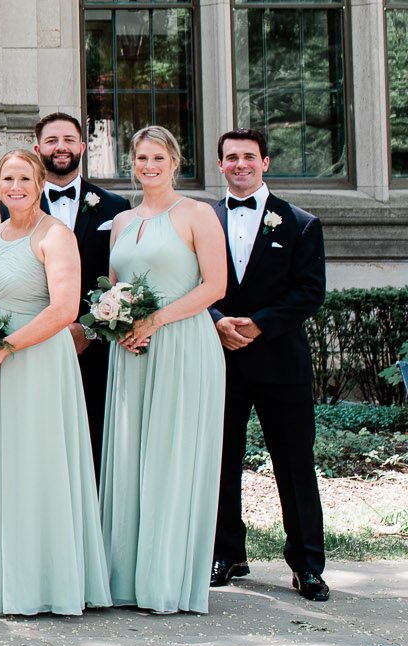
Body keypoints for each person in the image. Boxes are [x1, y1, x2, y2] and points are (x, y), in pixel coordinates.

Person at [0, 150, 110, 616]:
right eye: (6, 178)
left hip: (35, 359)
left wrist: (5, 347)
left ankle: (40, 582)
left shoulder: (55, 236)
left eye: (23, 178)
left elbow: (63, 310)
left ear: (40, 182)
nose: (14, 186)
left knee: (34, 464)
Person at [101, 126, 228, 615]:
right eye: (140, 158)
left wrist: (156, 319)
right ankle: (127, 578)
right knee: (131, 455)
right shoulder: (120, 221)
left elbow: (214, 286)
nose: (148, 166)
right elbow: (113, 288)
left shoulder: (197, 214)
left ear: (175, 160)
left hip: (182, 343)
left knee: (172, 457)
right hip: (132, 350)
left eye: (158, 156)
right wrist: (121, 328)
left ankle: (168, 579)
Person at [209, 130, 329, 602]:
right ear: (220, 165)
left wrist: (258, 324)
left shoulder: (300, 223)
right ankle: (226, 552)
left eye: (249, 157)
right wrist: (217, 321)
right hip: (220, 359)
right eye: (231, 157)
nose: (241, 164)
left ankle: (308, 564)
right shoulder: (203, 220)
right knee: (220, 461)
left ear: (266, 162)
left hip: (281, 361)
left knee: (295, 464)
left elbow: (309, 291)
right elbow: (191, 282)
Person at [31, 112, 131, 474]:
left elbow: (122, 278)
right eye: (53, 140)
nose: (62, 147)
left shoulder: (116, 208)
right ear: (38, 147)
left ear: (83, 147)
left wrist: (87, 328)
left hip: (93, 343)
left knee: (94, 436)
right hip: (35, 340)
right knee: (39, 434)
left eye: (70, 140)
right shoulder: (14, 205)